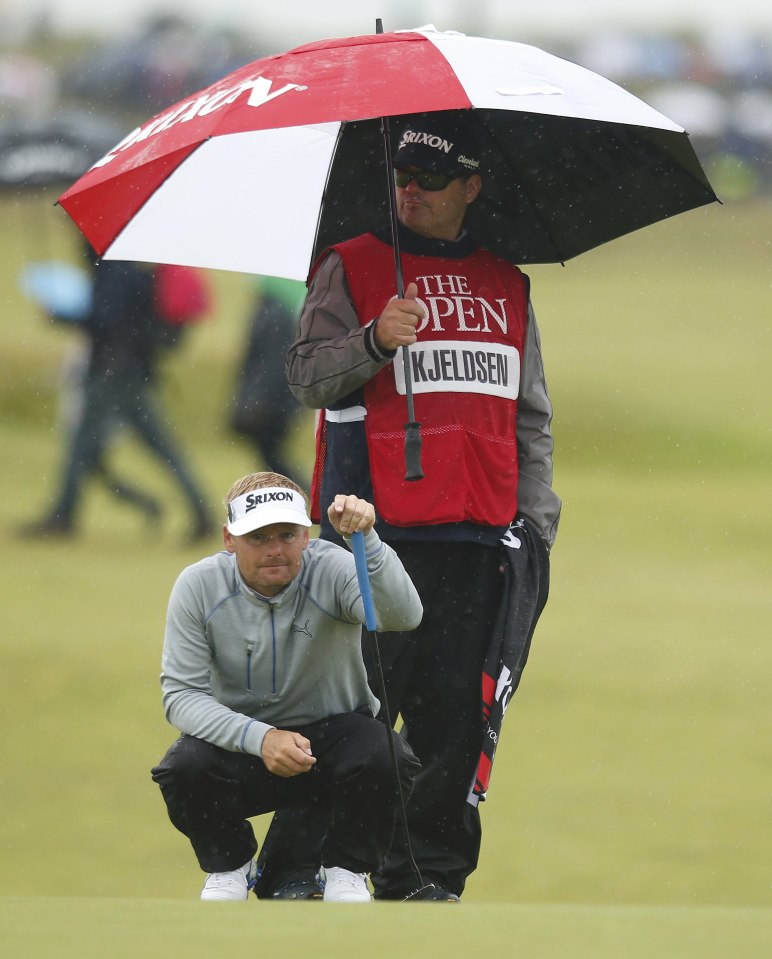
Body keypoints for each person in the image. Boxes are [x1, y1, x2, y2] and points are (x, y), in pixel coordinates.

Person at [260, 111, 561, 901]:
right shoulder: (353, 263)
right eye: (401, 177)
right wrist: (374, 340)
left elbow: (528, 416)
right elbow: (305, 378)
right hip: (373, 537)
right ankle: (296, 869)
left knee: (456, 726)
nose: (410, 191)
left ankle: (426, 876)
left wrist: (536, 524)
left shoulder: (507, 280)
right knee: (350, 718)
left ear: (471, 186)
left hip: (483, 540)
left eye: (430, 180)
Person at [150, 471, 423, 902]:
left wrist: (367, 540)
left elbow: (400, 615)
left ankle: (347, 872)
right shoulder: (198, 585)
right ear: (229, 539)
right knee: (184, 766)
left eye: (287, 534)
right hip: (244, 749)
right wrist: (262, 739)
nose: (275, 549)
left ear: (307, 536)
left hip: (335, 741)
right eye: (258, 537)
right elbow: (181, 696)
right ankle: (229, 868)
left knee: (385, 753)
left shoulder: (333, 565)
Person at [20, 255, 215, 541]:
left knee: (83, 447)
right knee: (158, 448)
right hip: (133, 370)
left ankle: (63, 516)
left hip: (112, 372)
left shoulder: (114, 268)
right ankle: (200, 513)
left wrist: (62, 316)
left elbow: (105, 320)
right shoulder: (136, 265)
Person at [229, 276, 307, 486]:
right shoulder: (286, 310)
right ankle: (300, 493)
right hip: (279, 400)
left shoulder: (273, 314)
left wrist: (254, 401)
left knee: (271, 456)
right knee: (271, 455)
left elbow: (269, 365)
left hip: (272, 403)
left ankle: (302, 493)